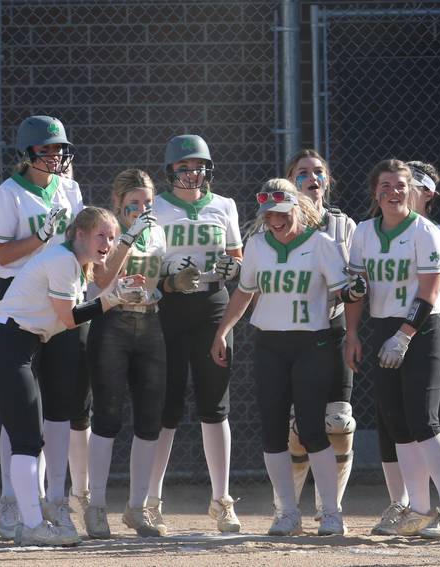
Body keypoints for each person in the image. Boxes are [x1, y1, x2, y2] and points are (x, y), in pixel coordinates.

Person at [210, 179, 365, 536]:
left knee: (312, 428)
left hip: (313, 343)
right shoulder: (257, 245)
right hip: (269, 344)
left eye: (281, 212)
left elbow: (345, 291)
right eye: (268, 214)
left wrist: (353, 290)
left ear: (296, 208)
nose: (274, 220)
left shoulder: (322, 244)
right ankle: (287, 511)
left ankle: (330, 511)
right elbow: (244, 294)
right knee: (272, 431)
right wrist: (221, 332)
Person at [0, 206, 144, 546]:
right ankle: (31, 525)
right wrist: (114, 298)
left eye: (113, 237)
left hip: (20, 346)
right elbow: (69, 319)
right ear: (79, 234)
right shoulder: (61, 259)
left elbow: (66, 317)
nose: (108, 242)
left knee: (30, 439)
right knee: (27, 441)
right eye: (101, 234)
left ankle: (33, 519)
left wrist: (113, 292)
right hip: (9, 347)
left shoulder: (73, 263)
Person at [345, 159, 440, 539]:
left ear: (412, 190)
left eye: (400, 185)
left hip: (424, 328)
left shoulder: (424, 231)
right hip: (383, 327)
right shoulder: (363, 232)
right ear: (374, 191)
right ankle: (417, 507)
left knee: (424, 419)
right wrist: (352, 333)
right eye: (386, 185)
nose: (393, 192)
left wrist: (406, 334)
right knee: (397, 422)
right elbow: (356, 289)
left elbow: (429, 291)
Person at [0, 116, 85, 541]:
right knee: (21, 412)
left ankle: (56, 501)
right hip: (25, 307)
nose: (56, 157)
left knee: (61, 408)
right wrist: (43, 237)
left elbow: (82, 245)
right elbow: (3, 258)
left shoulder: (70, 188)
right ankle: (13, 498)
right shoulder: (9, 193)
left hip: (63, 303)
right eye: (47, 150)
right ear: (28, 154)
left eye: (60, 149)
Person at [83, 169, 193, 539]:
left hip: (149, 324)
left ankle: (138, 507)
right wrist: (127, 236)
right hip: (111, 323)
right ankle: (95, 505)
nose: (144, 208)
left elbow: (157, 278)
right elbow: (100, 278)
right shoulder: (109, 230)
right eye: (135, 202)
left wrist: (174, 280)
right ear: (118, 202)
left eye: (148, 201)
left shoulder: (157, 229)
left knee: (151, 419)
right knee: (107, 416)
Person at [149, 134, 243, 533]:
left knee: (214, 404)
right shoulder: (156, 206)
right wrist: (168, 276)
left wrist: (229, 268)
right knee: (165, 407)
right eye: (183, 167)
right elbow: (143, 260)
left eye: (198, 166)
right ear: (170, 171)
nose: (192, 173)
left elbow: (236, 257)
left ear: (208, 169)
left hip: (211, 306)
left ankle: (222, 500)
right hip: (169, 307)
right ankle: (150, 499)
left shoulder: (224, 205)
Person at [282, 150, 357, 521]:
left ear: (327, 180)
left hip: (335, 324)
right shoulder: (279, 222)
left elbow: (360, 277)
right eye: (302, 173)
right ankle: (288, 506)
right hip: (294, 330)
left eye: (318, 173)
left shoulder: (344, 225)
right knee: (300, 426)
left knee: (339, 421)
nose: (311, 178)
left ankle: (331, 506)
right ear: (290, 179)